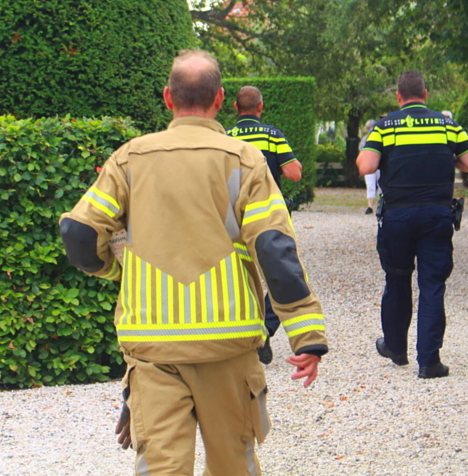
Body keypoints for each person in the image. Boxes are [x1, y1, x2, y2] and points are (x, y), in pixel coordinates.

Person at [60, 49, 328, 475]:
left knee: (161, 468)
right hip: (228, 342)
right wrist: (306, 334)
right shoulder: (244, 160)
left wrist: (117, 268)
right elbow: (274, 248)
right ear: (220, 99)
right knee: (232, 465)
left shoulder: (130, 158)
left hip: (152, 344)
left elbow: (79, 234)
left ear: (168, 98)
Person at [356, 70, 468, 378]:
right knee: (432, 286)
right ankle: (429, 362)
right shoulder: (447, 125)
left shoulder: (385, 126)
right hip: (436, 216)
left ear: (398, 97)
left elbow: (366, 165)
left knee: (397, 279)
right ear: (426, 94)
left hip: (397, 217)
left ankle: (396, 347)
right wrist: (443, 158)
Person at [227, 85, 303, 364]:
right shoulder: (273, 135)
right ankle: (265, 327)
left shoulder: (225, 136)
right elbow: (294, 174)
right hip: (268, 218)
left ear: (235, 108)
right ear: (260, 107)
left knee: (238, 276)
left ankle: (241, 334)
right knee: (280, 274)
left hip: (232, 219)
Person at [358, 119, 380, 215]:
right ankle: (370, 206)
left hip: (380, 165)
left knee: (381, 185)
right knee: (370, 185)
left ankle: (381, 204)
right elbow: (361, 151)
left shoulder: (381, 137)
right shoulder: (365, 139)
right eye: (368, 128)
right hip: (368, 164)